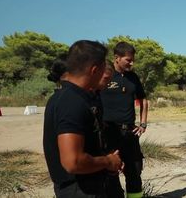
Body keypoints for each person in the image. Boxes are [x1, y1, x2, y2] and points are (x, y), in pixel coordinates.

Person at [43, 40, 123, 198]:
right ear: (94, 70)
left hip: (92, 184)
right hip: (80, 189)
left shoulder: (75, 97)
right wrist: (108, 161)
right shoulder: (71, 102)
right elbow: (73, 161)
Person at [100, 41, 149, 198]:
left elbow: (143, 100)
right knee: (111, 174)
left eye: (132, 59)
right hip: (108, 132)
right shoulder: (105, 75)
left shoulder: (133, 77)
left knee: (134, 171)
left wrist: (143, 124)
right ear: (116, 58)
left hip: (129, 132)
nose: (131, 63)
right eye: (128, 60)